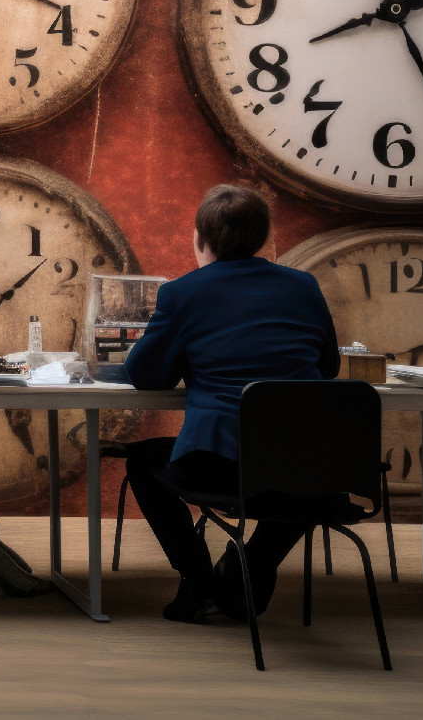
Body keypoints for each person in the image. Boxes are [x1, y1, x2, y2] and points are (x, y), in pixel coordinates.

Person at [124, 183, 340, 623]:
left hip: (221, 464)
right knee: (301, 482)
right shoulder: (303, 286)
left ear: (201, 239)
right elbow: (329, 367)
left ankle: (201, 584)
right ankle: (254, 565)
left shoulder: (182, 293)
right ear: (262, 237)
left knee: (143, 461)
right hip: (312, 462)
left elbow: (146, 376)